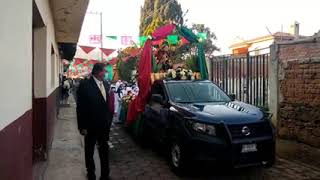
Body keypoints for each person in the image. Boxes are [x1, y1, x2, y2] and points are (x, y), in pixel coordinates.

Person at [76, 63, 114, 180]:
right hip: (90, 126)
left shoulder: (106, 85)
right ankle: (91, 173)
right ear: (98, 72)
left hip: (104, 126)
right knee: (89, 151)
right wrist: (82, 126)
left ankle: (105, 175)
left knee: (104, 150)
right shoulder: (85, 85)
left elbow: (107, 105)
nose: (106, 74)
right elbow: (81, 107)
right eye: (104, 71)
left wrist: (109, 121)